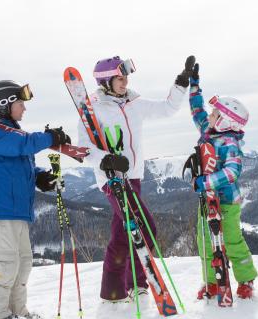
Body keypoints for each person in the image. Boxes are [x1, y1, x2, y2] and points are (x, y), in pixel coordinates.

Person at [77, 56, 192, 302]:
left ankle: (114, 291)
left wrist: (181, 84)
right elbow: (84, 148)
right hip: (111, 178)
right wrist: (105, 159)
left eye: (126, 77)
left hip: (134, 176)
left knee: (121, 235)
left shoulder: (134, 102)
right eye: (120, 78)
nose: (125, 81)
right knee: (143, 226)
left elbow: (167, 108)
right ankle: (139, 282)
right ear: (106, 80)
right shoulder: (92, 107)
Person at [0, 80, 71, 319]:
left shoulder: (11, 134)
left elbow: (23, 162)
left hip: (18, 211)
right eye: (20, 103)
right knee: (6, 263)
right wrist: (50, 137)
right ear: (4, 106)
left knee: (23, 263)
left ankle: (16, 311)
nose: (24, 109)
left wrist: (42, 178)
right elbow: (24, 145)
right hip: (1, 210)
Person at [187, 63, 258, 300]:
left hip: (226, 201)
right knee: (205, 241)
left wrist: (206, 182)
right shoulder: (209, 132)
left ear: (226, 121)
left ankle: (246, 278)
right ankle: (212, 281)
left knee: (232, 240)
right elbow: (197, 112)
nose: (210, 116)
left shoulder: (229, 143)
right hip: (206, 202)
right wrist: (194, 85)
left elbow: (232, 172)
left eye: (215, 114)